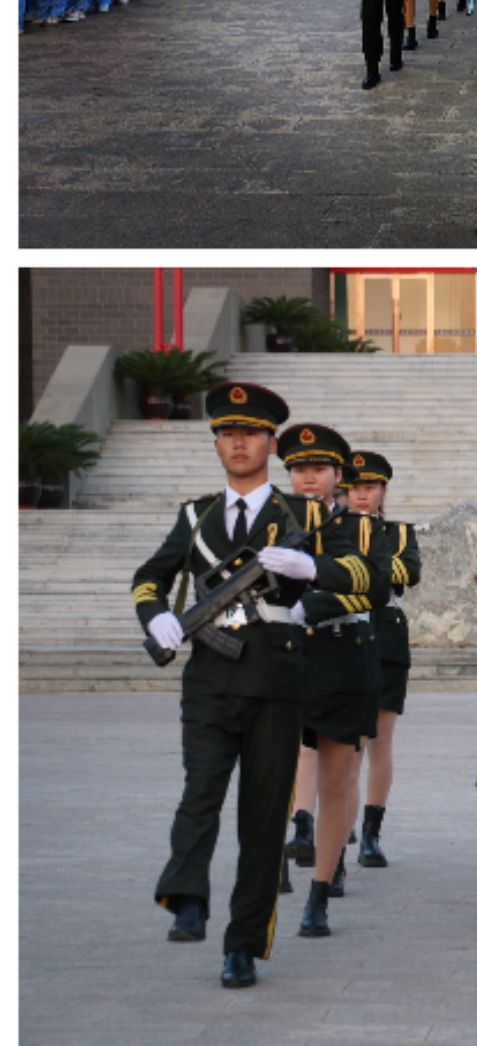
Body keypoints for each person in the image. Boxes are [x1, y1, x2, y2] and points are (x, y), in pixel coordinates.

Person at [130, 382, 329, 989]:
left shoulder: (306, 515)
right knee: (201, 793)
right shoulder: (196, 516)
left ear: (271, 443)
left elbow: (361, 580)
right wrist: (156, 617)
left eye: (250, 433)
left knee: (263, 820)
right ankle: (186, 897)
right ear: (216, 443)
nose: (238, 442)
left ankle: (244, 943)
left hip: (275, 681)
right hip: (210, 680)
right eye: (226, 433)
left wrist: (313, 574)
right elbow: (149, 578)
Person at [274, 421, 390, 938]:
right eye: (299, 468)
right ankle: (281, 853)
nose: (308, 478)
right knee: (279, 766)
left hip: (343, 653)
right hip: (285, 654)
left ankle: (320, 890)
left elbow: (376, 588)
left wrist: (313, 601)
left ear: (337, 475)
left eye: (319, 468)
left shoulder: (362, 528)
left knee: (336, 777)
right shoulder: (270, 522)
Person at [343, 450, 418, 870]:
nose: (361, 495)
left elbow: (408, 572)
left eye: (369, 487)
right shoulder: (330, 532)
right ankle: (342, 822)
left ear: (383, 491)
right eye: (354, 487)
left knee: (379, 741)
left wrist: (364, 561)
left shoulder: (398, 533)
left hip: (386, 636)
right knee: (347, 744)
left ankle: (371, 833)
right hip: (342, 637)